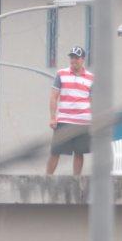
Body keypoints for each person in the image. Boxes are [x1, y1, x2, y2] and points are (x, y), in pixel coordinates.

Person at [47, 46, 94, 175]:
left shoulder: (91, 78)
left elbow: (93, 100)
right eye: (72, 57)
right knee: (55, 151)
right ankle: (47, 178)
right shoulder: (61, 74)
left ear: (82, 59)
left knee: (79, 152)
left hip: (83, 121)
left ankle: (76, 180)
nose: (73, 60)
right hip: (64, 119)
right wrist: (52, 117)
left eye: (76, 58)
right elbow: (54, 96)